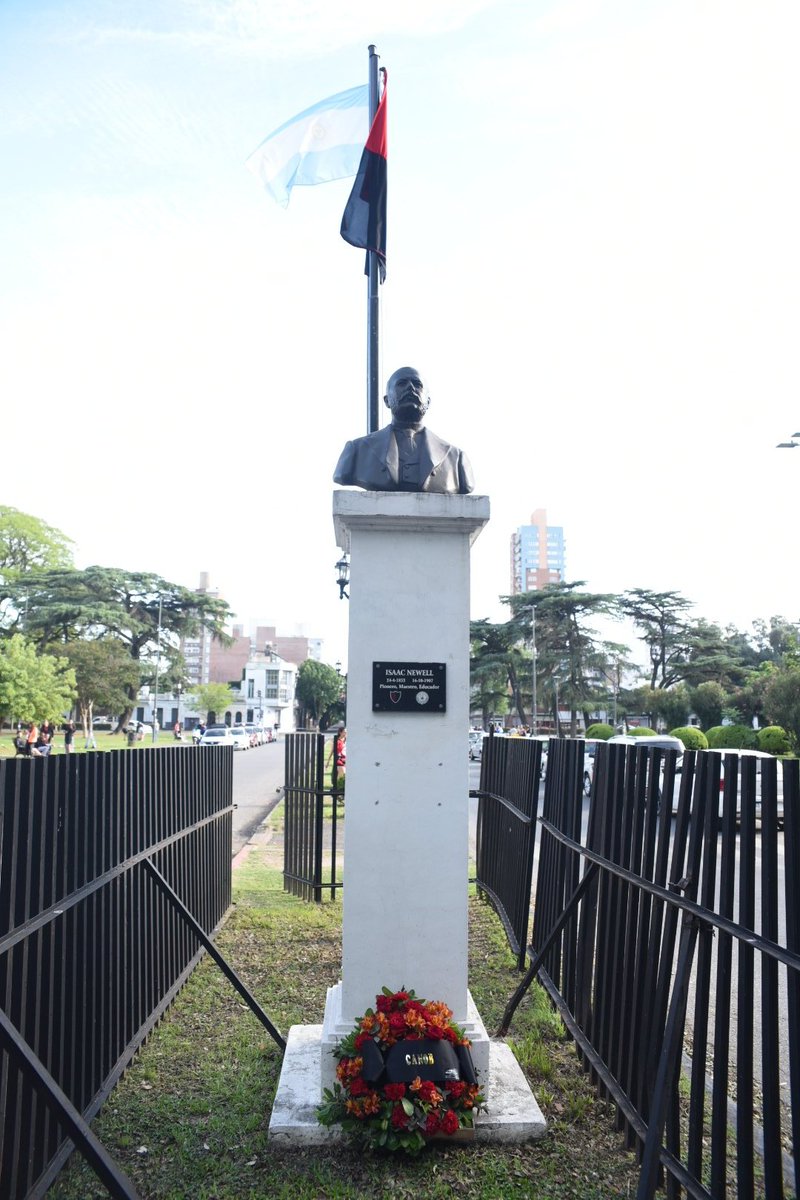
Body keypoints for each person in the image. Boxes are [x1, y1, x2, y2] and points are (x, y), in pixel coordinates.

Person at [333, 367, 474, 494]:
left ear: (428, 401)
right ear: (387, 401)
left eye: (417, 384)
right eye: (402, 384)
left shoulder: (455, 459)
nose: (410, 388)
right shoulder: (356, 451)